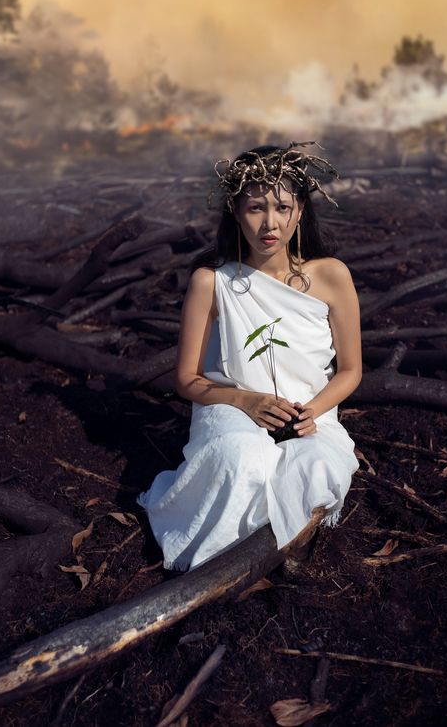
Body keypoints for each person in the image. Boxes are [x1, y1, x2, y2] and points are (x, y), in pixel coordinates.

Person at [137, 141, 362, 571]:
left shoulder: (331, 276)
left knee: (316, 469)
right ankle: (214, 562)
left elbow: (350, 370)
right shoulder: (213, 281)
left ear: (301, 211)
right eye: (255, 208)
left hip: (310, 411)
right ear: (236, 214)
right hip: (230, 407)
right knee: (242, 459)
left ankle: (271, 555)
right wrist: (248, 402)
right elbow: (186, 380)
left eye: (282, 207)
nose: (269, 223)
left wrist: (309, 413)